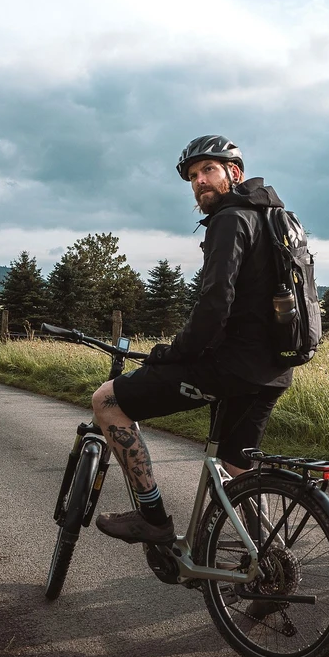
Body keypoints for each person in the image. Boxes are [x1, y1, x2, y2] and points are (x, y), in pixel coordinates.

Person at [91, 135, 294, 545]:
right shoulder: (277, 218)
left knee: (107, 402)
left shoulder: (230, 218)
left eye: (209, 170)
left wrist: (175, 353)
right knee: (237, 466)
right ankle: (267, 565)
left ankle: (152, 516)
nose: (200, 181)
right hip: (274, 368)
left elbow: (216, 301)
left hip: (231, 367)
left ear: (234, 173)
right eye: (193, 176)